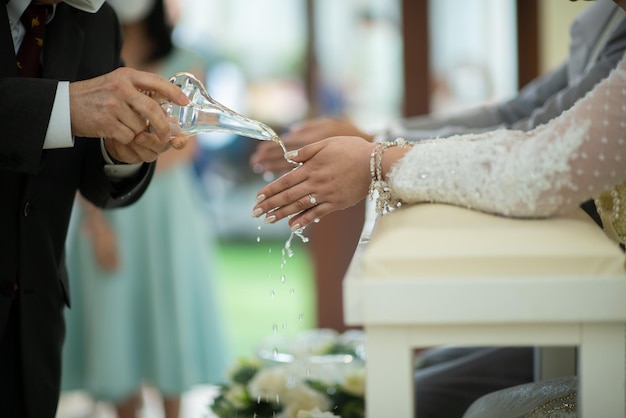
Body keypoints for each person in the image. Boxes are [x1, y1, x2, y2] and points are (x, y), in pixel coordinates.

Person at [249, 1, 626, 416]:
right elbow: (524, 117)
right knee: (426, 374)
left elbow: (539, 162)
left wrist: (376, 161)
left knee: (473, 407)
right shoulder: (602, 18)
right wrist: (377, 143)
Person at [0, 1, 191, 417]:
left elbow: (94, 169)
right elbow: (72, 111)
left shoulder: (99, 21)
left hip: (33, 326)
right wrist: (64, 106)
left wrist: (122, 152)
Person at [60, 0, 231, 417]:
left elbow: (186, 144)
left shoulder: (186, 62)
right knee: (113, 311)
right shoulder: (91, 60)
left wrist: (138, 155)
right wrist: (96, 222)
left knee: (167, 307)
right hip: (101, 204)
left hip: (165, 209)